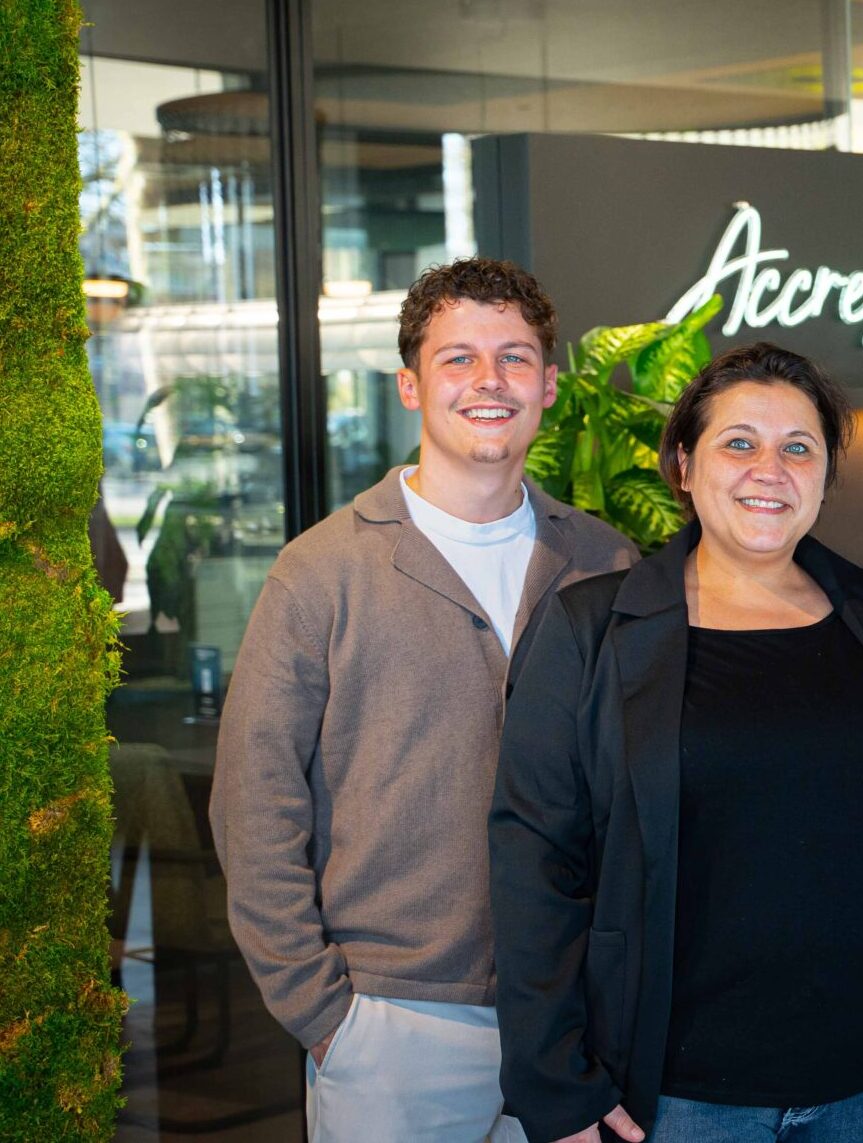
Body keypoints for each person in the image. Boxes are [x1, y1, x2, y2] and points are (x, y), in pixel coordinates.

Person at [492, 345, 863, 1143]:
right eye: (739, 443)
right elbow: (535, 863)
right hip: (673, 1103)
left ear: (825, 475)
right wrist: (556, 1082)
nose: (771, 467)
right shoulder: (592, 630)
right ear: (685, 466)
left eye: (798, 447)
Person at [211, 259, 637, 1141]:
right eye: (458, 359)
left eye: (514, 358)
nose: (489, 381)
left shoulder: (604, 563)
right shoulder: (320, 572)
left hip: (569, 1018)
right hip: (389, 1026)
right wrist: (324, 1014)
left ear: (549, 386)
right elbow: (255, 804)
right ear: (410, 385)